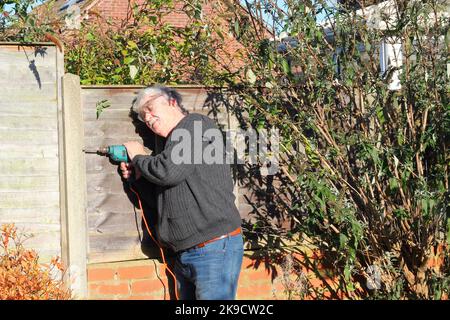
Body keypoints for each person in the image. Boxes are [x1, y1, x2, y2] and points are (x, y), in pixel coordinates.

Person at [120, 85, 243, 300]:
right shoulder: (168, 148)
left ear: (172, 102)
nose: (147, 117)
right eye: (142, 115)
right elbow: (162, 199)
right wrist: (139, 179)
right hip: (185, 253)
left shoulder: (196, 125)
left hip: (213, 247)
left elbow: (168, 172)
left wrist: (139, 157)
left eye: (149, 108)